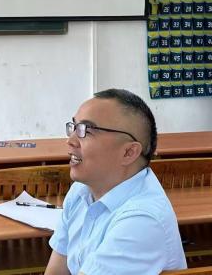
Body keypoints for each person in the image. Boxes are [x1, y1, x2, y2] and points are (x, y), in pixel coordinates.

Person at [45, 88, 187, 275]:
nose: (70, 141)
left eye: (86, 130)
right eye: (74, 127)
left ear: (129, 152)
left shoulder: (142, 221)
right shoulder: (82, 190)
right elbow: (56, 270)